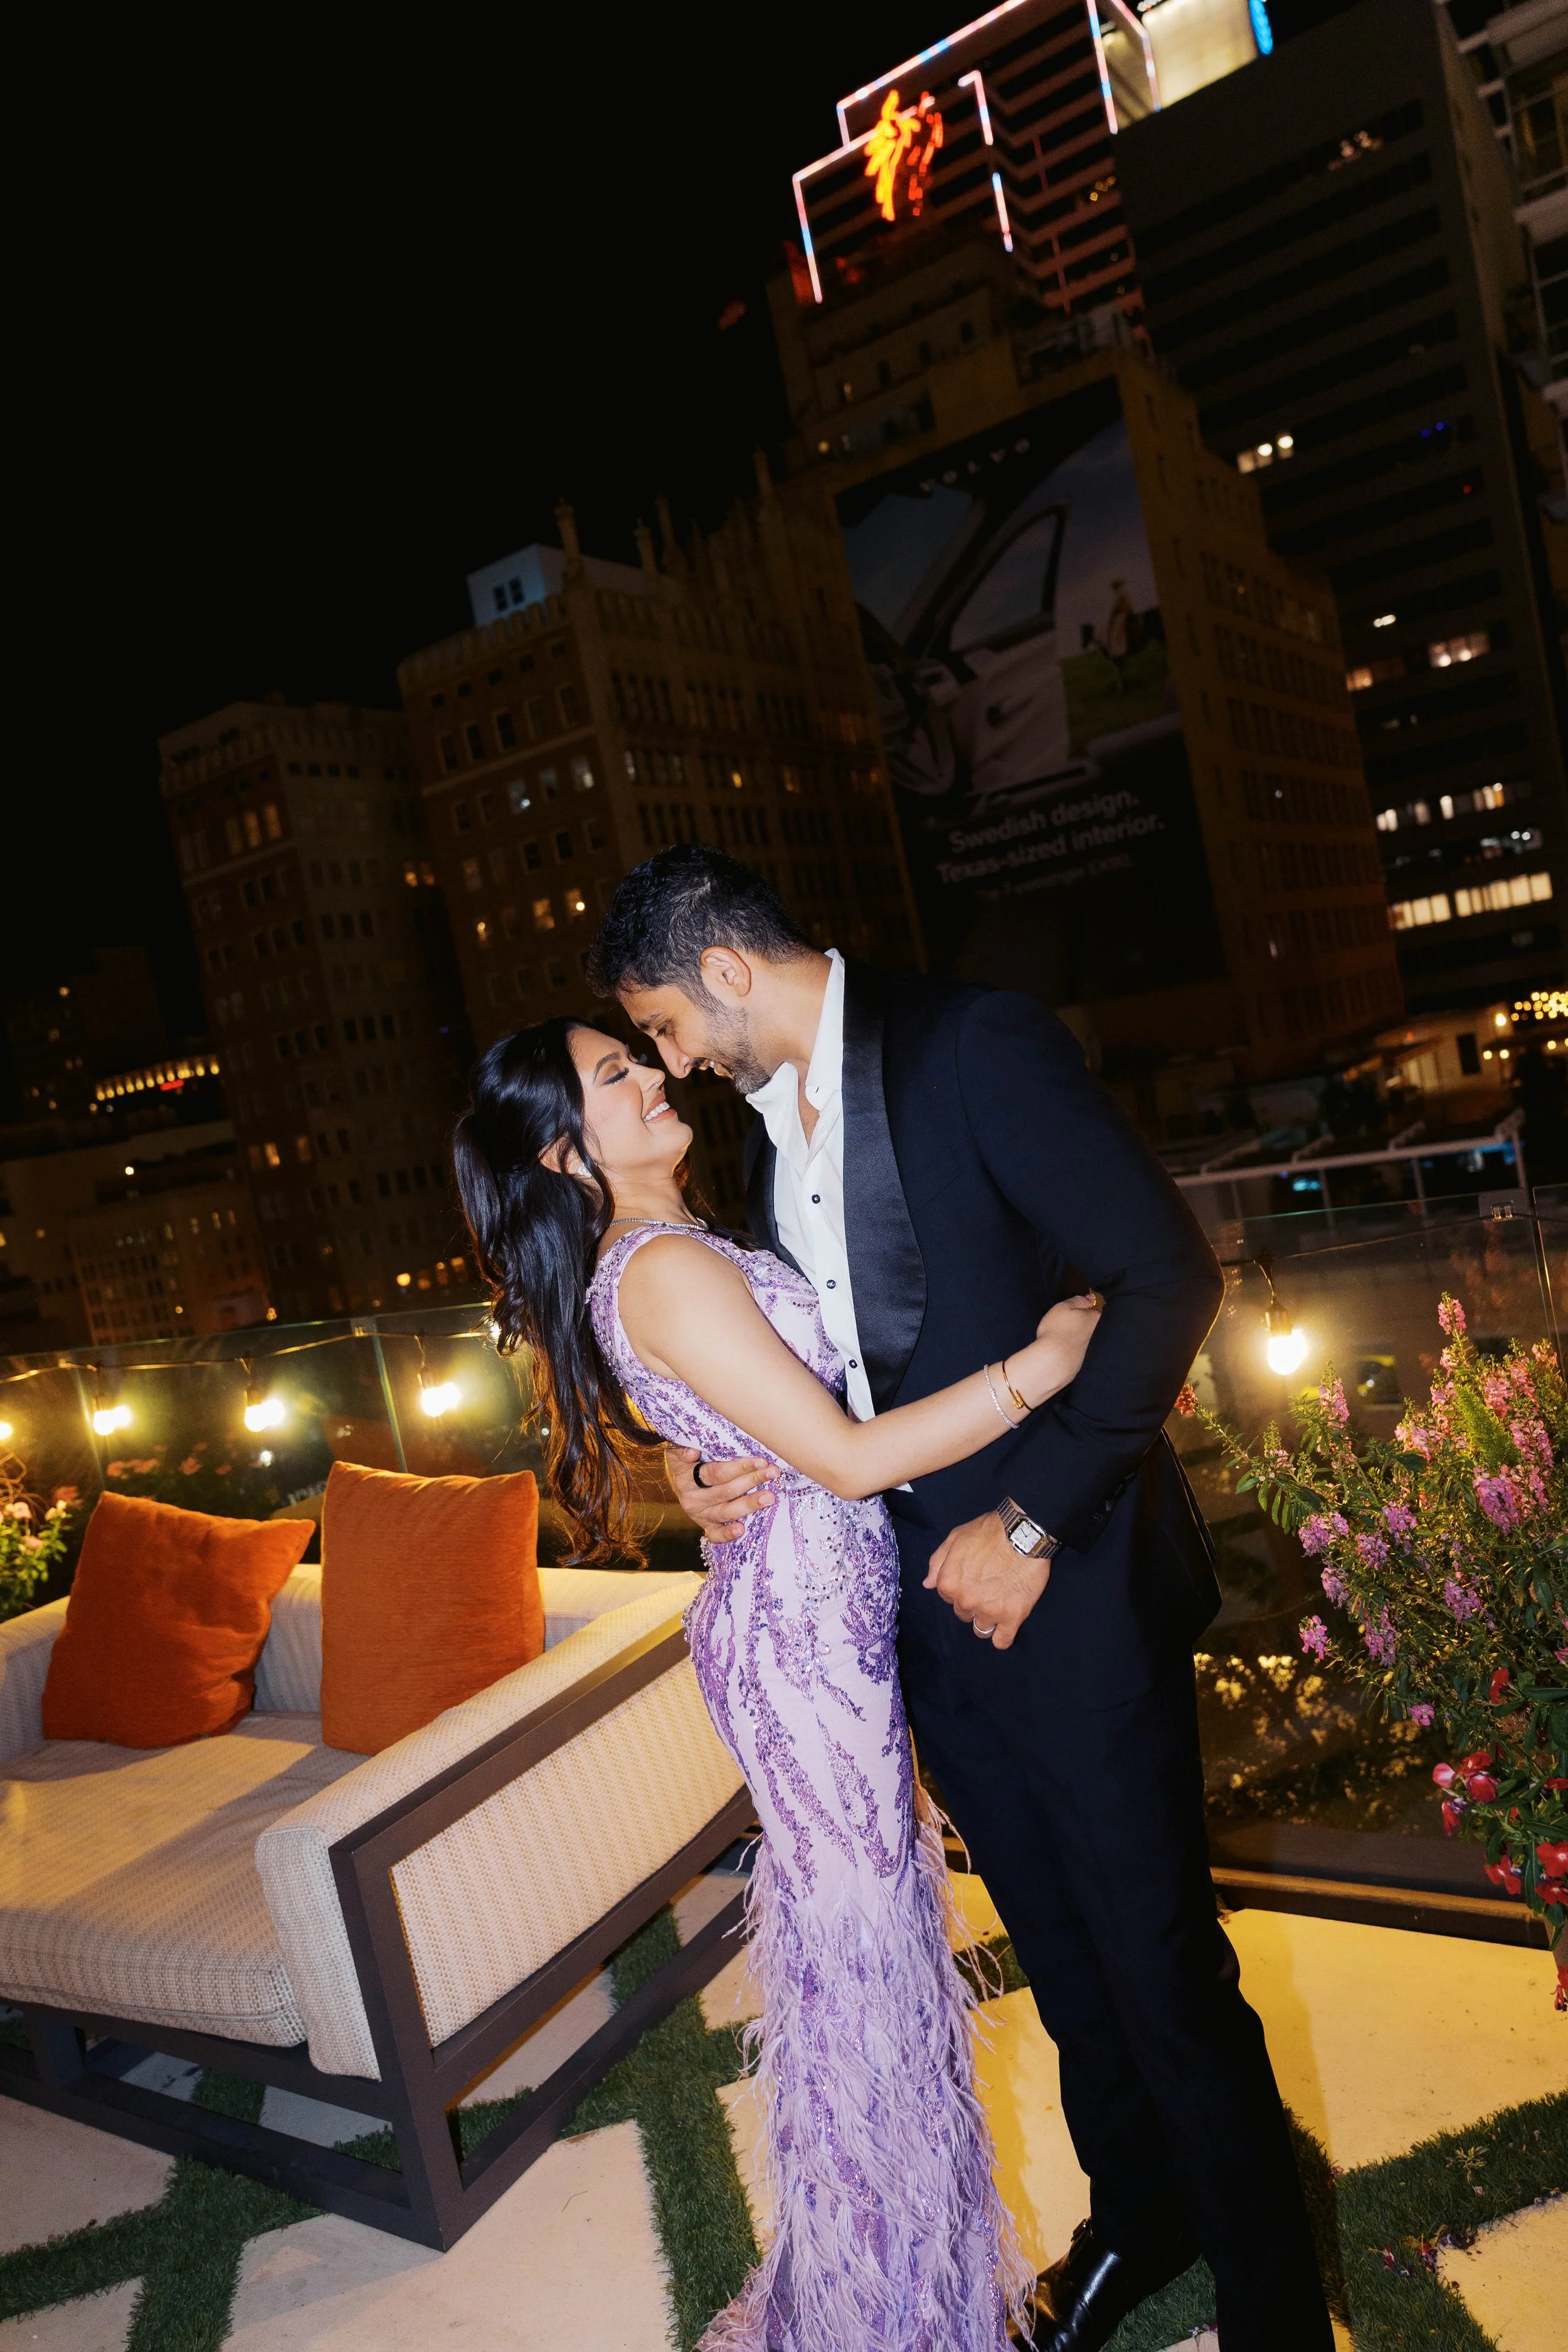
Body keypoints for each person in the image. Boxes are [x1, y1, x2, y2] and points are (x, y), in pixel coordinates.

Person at [588, 844, 1335, 2352]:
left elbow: (1165, 1279)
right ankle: (1139, 2221)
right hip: (913, 1622)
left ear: (724, 971)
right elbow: (795, 1371)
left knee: (1160, 1968)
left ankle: (1273, 2314)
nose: (671, 1063)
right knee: (1058, 1961)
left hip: (1073, 1593)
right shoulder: (760, 1136)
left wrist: (1033, 1522)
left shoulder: (969, 1044)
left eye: (663, 1025)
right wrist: (697, 1464)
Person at [452, 1014, 1104, 2352]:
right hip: (802, 1640)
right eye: (615, 1074)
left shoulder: (667, 1248)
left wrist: (686, 1462)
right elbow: (847, 1458)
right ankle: (884, 2315)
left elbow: (729, 1407)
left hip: (812, 1616)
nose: (652, 1074)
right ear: (564, 1153)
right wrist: (1041, 1368)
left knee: (875, 1960)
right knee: (866, 1968)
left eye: (639, 1053)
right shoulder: (659, 1266)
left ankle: (895, 2292)